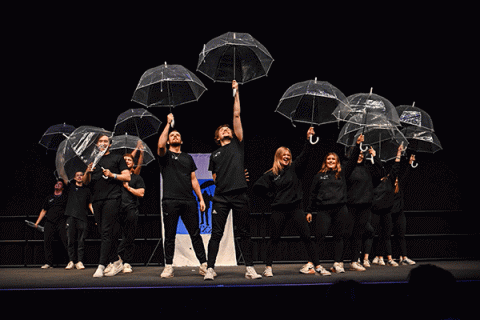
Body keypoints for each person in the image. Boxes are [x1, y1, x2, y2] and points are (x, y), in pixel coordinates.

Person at [253, 127, 330, 277]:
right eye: (284, 155)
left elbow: (305, 155)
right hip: (279, 210)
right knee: (274, 239)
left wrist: (308, 140)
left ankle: (318, 266)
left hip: (295, 209)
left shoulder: (294, 168)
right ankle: (268, 267)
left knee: (307, 238)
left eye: (288, 155)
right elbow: (257, 188)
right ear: (278, 156)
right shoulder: (271, 174)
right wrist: (272, 196)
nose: (286, 157)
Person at [204, 80, 261, 280]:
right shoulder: (215, 154)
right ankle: (210, 268)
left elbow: (236, 114)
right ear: (217, 137)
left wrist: (236, 93)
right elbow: (214, 177)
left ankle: (250, 268)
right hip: (220, 198)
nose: (226, 130)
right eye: (222, 130)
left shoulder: (238, 144)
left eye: (228, 129)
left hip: (239, 195)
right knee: (216, 235)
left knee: (244, 233)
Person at [157, 113, 208, 278]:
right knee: (170, 235)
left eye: (177, 135)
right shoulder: (165, 156)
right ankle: (168, 266)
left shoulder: (187, 158)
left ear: (182, 140)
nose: (175, 136)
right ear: (169, 140)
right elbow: (159, 145)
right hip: (170, 201)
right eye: (172, 135)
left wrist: (200, 199)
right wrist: (168, 124)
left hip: (188, 201)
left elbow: (193, 179)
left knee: (195, 233)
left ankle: (204, 264)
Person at [305, 134, 363, 274]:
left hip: (340, 209)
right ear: (325, 161)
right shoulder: (319, 175)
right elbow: (312, 194)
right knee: (319, 236)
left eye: (333, 159)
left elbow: (353, 161)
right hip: (324, 210)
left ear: (337, 162)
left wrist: (357, 145)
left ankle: (337, 264)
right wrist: (309, 211)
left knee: (339, 237)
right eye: (329, 159)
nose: (331, 161)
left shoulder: (342, 173)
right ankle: (311, 263)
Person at [83, 133, 131, 278]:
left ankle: (101, 265)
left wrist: (112, 175)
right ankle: (116, 261)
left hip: (112, 197)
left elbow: (127, 176)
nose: (103, 143)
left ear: (110, 145)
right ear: (97, 145)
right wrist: (87, 171)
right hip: (97, 200)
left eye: (105, 141)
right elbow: (85, 182)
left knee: (106, 232)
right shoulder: (94, 161)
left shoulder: (117, 158)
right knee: (104, 233)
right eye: (100, 141)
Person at [362, 144, 404, 267]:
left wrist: (398, 154)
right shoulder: (373, 181)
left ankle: (385, 258)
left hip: (386, 211)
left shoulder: (390, 180)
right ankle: (366, 258)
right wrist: (373, 157)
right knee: (370, 233)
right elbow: (375, 168)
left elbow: (396, 168)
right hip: (374, 209)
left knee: (386, 234)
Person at [345, 139, 382, 271]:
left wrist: (375, 156)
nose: (361, 155)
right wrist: (357, 146)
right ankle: (338, 260)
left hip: (365, 205)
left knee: (359, 234)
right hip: (351, 205)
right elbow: (351, 163)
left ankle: (354, 261)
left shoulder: (367, 168)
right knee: (347, 233)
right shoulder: (348, 167)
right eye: (358, 153)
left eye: (362, 153)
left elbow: (380, 174)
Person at [116, 153, 145, 273]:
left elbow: (141, 193)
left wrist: (128, 188)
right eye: (125, 160)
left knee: (129, 235)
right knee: (114, 235)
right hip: (116, 209)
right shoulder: (116, 177)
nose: (127, 161)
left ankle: (126, 262)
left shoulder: (137, 178)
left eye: (129, 160)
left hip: (131, 209)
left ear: (133, 163)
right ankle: (115, 259)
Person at [35, 180, 69, 269]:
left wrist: (68, 222)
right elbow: (43, 210)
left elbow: (69, 211)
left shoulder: (65, 197)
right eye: (56, 183)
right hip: (49, 222)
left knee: (65, 241)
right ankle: (48, 263)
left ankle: (71, 261)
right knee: (47, 242)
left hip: (61, 222)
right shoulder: (49, 198)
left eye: (60, 184)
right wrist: (37, 222)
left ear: (62, 187)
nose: (57, 184)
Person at [64, 171, 93, 270]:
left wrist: (95, 215)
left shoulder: (87, 190)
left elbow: (90, 204)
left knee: (81, 241)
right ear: (75, 178)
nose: (80, 177)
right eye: (78, 175)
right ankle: (71, 261)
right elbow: (63, 176)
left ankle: (80, 262)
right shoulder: (70, 187)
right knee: (70, 240)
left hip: (83, 217)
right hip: (71, 216)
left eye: (81, 175)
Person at [392, 154, 416, 265]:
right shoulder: (387, 189)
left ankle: (404, 257)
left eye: (397, 179)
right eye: (394, 180)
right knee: (386, 236)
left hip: (399, 213)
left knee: (401, 235)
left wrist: (410, 164)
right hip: (389, 213)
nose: (396, 181)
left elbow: (406, 175)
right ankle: (384, 257)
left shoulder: (400, 187)